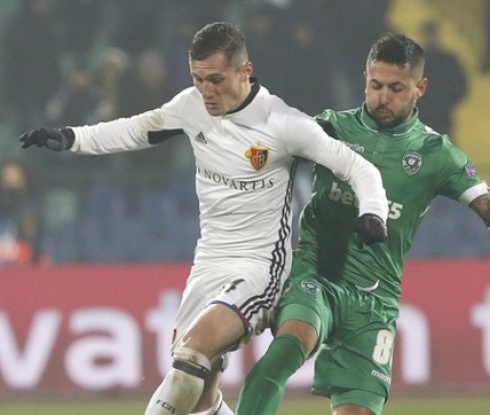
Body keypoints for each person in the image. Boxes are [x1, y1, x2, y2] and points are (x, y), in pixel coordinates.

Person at [19, 22, 389, 415]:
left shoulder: (282, 123)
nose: (205, 90)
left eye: (215, 79)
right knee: (200, 394)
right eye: (197, 79)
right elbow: (135, 130)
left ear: (245, 71)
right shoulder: (191, 106)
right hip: (207, 263)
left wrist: (374, 211)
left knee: (192, 353)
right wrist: (71, 138)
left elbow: (358, 167)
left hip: (259, 266)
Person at [235, 32, 490, 415]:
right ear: (365, 79)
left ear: (420, 88)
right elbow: (263, 154)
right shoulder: (332, 128)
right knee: (287, 348)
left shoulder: (436, 153)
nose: (383, 97)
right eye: (376, 85)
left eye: (396, 88)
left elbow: (484, 203)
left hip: (375, 298)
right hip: (317, 274)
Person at [416, 21, 467, 141]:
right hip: (424, 114)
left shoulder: (448, 61)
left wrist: (449, 102)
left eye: (432, 34)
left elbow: (461, 84)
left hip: (442, 114)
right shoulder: (416, 62)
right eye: (428, 34)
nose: (430, 37)